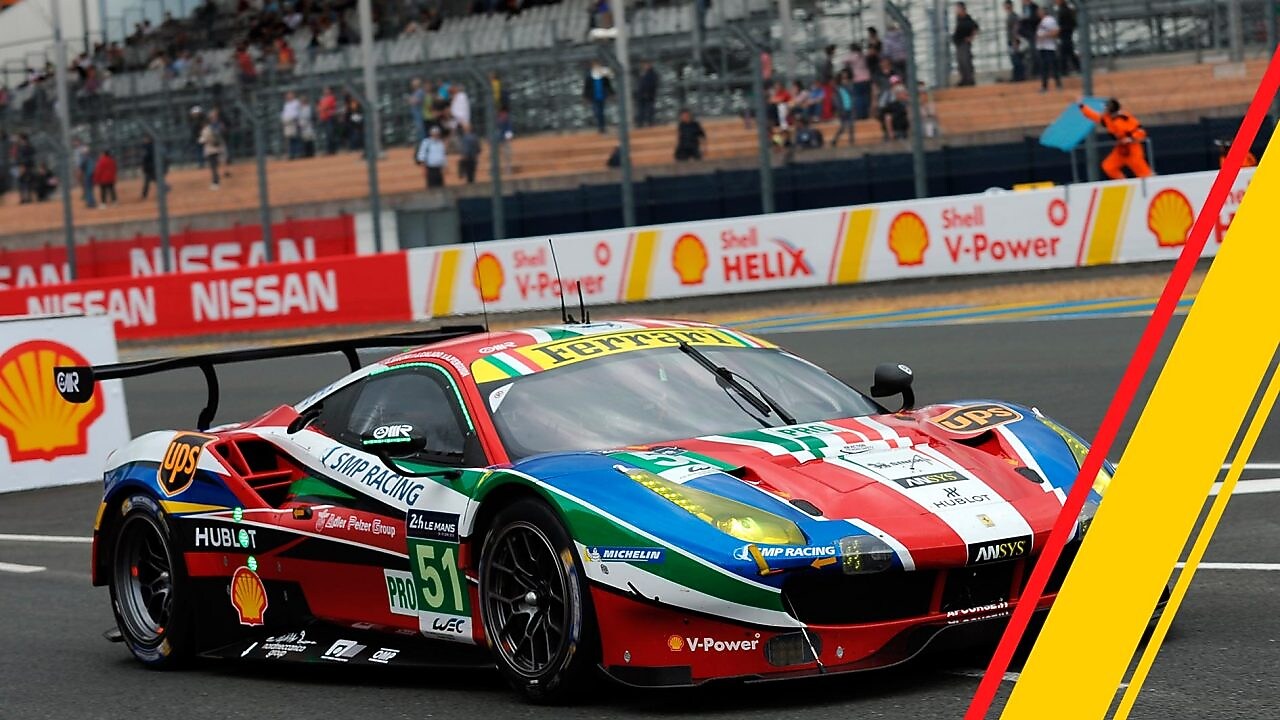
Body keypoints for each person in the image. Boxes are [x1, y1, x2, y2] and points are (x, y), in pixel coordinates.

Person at [1077, 97, 1152, 179]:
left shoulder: (1125, 118)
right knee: (1108, 166)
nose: (1104, 109)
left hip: (1133, 149)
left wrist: (1130, 139)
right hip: (1120, 149)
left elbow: (1141, 131)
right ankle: (1124, 184)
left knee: (1145, 174)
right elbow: (1094, 116)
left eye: (1106, 107)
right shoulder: (1107, 118)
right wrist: (1082, 106)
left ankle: (1153, 187)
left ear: (1111, 109)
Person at [1034, 4, 1062, 92]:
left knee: (1053, 67)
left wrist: (1044, 36)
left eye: (1040, 11)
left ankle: (1058, 85)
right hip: (1042, 47)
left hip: (1049, 48)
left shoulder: (1050, 20)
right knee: (1044, 68)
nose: (1038, 13)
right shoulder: (1042, 21)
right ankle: (1044, 86)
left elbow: (1056, 31)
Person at [953, 2, 980, 86]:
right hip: (959, 43)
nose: (956, 11)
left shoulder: (968, 19)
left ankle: (969, 80)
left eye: (958, 9)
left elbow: (976, 28)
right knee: (960, 62)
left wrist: (971, 38)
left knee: (966, 61)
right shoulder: (958, 19)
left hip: (964, 43)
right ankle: (964, 79)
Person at [583, 60, 614, 133]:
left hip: (602, 97)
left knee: (601, 112)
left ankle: (602, 127)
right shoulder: (589, 77)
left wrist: (612, 93)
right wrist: (585, 97)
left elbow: (608, 85)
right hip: (594, 97)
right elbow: (586, 87)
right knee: (597, 112)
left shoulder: (603, 77)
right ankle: (600, 126)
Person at [199, 111, 227, 189]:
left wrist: (202, 140)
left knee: (213, 167)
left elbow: (203, 140)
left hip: (211, 150)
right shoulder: (212, 128)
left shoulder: (207, 129)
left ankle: (215, 182)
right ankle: (216, 180)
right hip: (216, 149)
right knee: (215, 166)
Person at [831, 70, 856, 146]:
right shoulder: (837, 88)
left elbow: (852, 95)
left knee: (851, 125)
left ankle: (851, 141)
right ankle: (835, 139)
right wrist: (838, 109)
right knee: (843, 126)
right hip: (842, 109)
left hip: (850, 107)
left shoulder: (850, 85)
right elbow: (836, 99)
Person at [1055, 0, 1079, 75]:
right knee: (1068, 52)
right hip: (1067, 33)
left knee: (1065, 52)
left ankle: (1064, 70)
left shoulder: (1063, 10)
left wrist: (1060, 30)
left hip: (1065, 33)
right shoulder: (1065, 9)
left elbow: (1063, 24)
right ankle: (1075, 68)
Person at [1004, 0, 1026, 82]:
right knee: (1014, 59)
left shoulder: (1013, 16)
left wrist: (1014, 41)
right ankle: (1018, 76)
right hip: (1012, 40)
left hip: (1014, 41)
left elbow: (1015, 29)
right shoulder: (1010, 16)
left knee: (1016, 59)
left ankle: (1019, 76)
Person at [74, 138, 96, 209]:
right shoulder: (79, 152)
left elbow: (82, 162)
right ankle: (89, 199)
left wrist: (79, 169)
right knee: (86, 185)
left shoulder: (84, 155)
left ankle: (90, 202)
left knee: (88, 186)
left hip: (86, 171)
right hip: (85, 170)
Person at [317, 87, 338, 154]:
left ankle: (332, 150)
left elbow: (326, 107)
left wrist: (322, 108)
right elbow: (319, 108)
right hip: (324, 118)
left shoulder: (332, 97)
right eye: (325, 90)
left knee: (330, 134)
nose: (326, 91)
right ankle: (329, 150)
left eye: (327, 90)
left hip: (330, 118)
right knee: (326, 135)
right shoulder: (322, 98)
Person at [281, 91, 302, 159]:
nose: (288, 96)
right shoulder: (286, 104)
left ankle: (297, 154)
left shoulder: (296, 102)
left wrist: (292, 119)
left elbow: (297, 113)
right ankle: (291, 154)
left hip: (294, 122)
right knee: (289, 140)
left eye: (290, 95)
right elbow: (284, 114)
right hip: (287, 123)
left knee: (295, 139)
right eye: (288, 95)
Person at [637, 61, 658, 127]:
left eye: (646, 65)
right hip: (642, 95)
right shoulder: (643, 74)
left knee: (649, 109)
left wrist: (647, 92)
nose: (645, 66)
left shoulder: (652, 74)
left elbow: (652, 84)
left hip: (649, 95)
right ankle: (641, 123)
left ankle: (649, 122)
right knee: (642, 110)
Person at [408, 78, 426, 144]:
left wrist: (411, 100)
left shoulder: (420, 91)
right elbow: (411, 101)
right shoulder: (415, 92)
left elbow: (415, 101)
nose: (412, 85)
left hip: (419, 113)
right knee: (418, 130)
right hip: (415, 113)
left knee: (421, 129)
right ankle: (420, 143)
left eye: (414, 83)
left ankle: (423, 144)